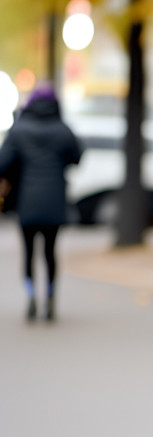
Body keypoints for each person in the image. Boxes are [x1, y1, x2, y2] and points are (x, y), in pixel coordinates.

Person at [0, 81, 82, 321]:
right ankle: (50, 296)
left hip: (27, 200)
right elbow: (77, 157)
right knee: (50, 252)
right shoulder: (62, 129)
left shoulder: (19, 129)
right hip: (54, 200)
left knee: (28, 253)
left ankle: (31, 295)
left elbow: (3, 163)